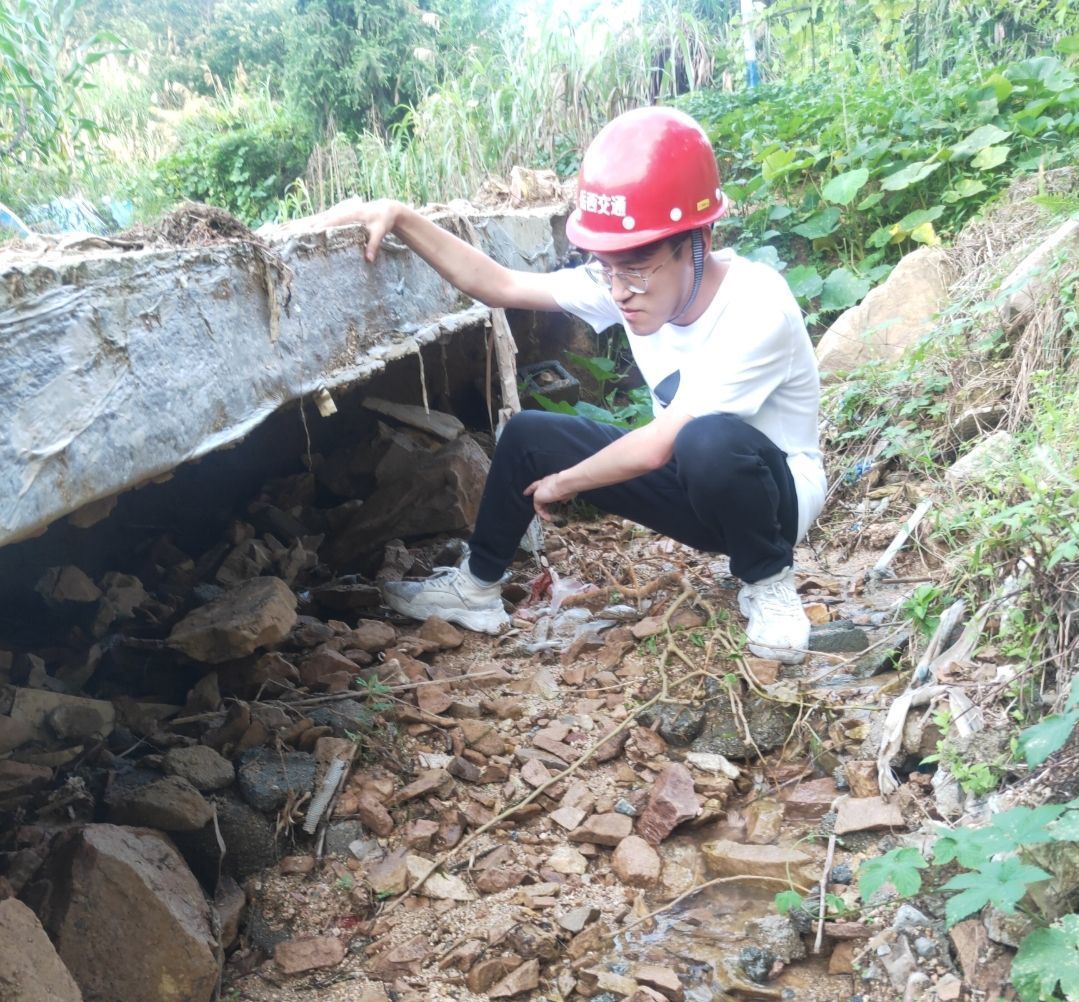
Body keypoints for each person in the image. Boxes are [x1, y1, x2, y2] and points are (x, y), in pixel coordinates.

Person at [317, 107, 827, 662]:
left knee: (707, 439)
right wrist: (400, 216)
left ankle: (768, 581)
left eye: (636, 269)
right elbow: (498, 284)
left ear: (698, 239)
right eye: (608, 269)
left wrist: (564, 482)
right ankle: (477, 588)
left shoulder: (757, 307)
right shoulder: (625, 281)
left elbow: (658, 447)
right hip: (691, 485)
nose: (621, 291)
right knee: (528, 435)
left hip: (774, 500)